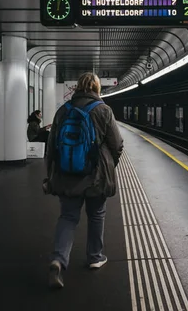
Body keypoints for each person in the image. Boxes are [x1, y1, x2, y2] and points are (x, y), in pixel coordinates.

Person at [44, 72, 123, 289]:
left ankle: (58, 260)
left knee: (68, 217)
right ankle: (95, 257)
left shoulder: (63, 111)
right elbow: (117, 145)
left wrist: (50, 174)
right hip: (96, 176)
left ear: (77, 88)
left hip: (67, 174)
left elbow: (51, 147)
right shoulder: (104, 110)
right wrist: (108, 165)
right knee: (96, 214)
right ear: (97, 88)